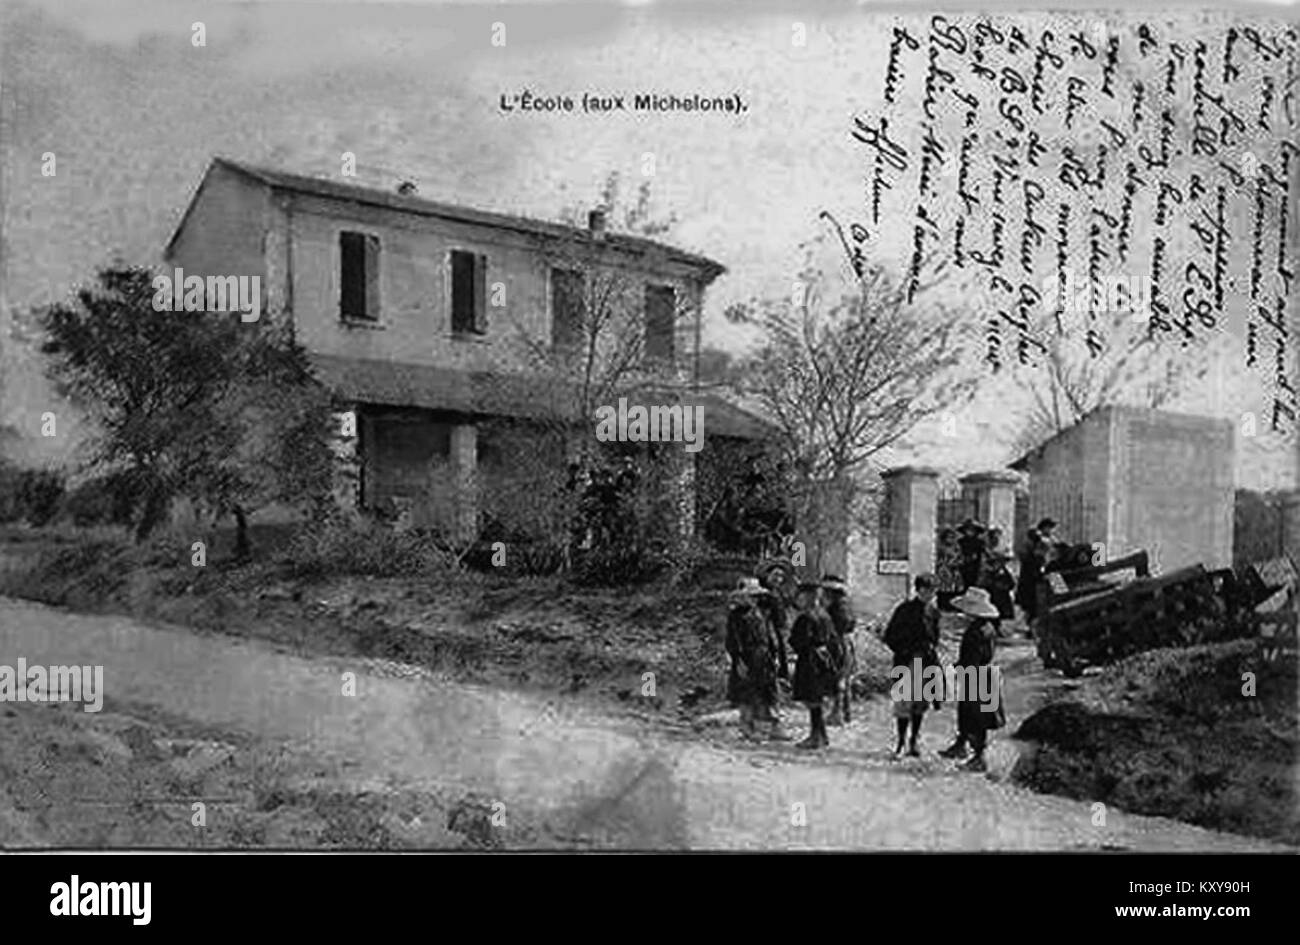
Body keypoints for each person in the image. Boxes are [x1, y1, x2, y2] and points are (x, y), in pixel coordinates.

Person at [937, 587, 1007, 771]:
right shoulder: (988, 627)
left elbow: (971, 659)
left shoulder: (975, 632)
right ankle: (961, 745)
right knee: (969, 715)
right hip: (984, 675)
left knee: (976, 718)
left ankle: (978, 757)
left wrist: (955, 669)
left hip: (975, 677)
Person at [882, 573, 942, 757]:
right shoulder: (904, 610)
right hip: (906, 662)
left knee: (920, 704)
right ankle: (900, 743)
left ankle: (913, 741)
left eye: (933, 591)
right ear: (918, 590)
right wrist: (905, 650)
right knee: (903, 705)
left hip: (925, 663)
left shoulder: (934, 613)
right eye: (927, 590)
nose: (930, 594)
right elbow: (889, 636)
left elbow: (936, 638)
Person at [725, 577, 785, 741]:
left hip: (764, 656)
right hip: (747, 657)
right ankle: (747, 727)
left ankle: (774, 726)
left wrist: (775, 655)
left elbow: (770, 634)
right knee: (747, 692)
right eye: (751, 596)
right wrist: (738, 660)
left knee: (770, 690)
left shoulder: (763, 612)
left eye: (756, 596)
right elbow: (733, 641)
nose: (754, 599)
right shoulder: (736, 616)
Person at [789, 580, 840, 750]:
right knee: (816, 697)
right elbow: (833, 639)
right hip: (824, 659)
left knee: (813, 699)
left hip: (810, 660)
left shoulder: (806, 617)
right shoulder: (824, 615)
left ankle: (815, 736)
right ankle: (822, 735)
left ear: (807, 597)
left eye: (800, 597)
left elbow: (796, 641)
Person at [822, 575, 857, 726]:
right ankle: (846, 713)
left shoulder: (836, 607)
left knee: (838, 677)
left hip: (837, 643)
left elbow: (834, 626)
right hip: (846, 642)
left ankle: (837, 713)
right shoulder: (847, 604)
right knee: (845, 678)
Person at [935, 528, 965, 611]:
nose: (951, 539)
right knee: (944, 592)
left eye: (952, 537)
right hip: (944, 573)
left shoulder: (957, 547)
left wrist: (957, 563)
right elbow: (939, 561)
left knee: (956, 593)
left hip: (955, 573)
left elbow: (961, 559)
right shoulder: (941, 548)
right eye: (949, 537)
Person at [957, 520, 987, 592]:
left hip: (975, 570)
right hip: (963, 569)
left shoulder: (980, 543)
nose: (970, 532)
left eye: (972, 530)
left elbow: (982, 557)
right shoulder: (960, 542)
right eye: (968, 529)